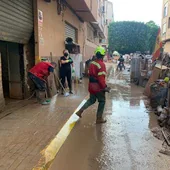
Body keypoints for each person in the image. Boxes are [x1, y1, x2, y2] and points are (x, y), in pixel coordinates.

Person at [75, 46, 110, 124]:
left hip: (91, 85)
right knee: (102, 101)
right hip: (98, 87)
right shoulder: (101, 64)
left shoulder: (92, 63)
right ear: (103, 55)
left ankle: (80, 111)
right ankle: (99, 118)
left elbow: (88, 74)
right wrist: (105, 87)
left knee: (91, 100)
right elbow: (101, 78)